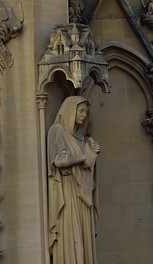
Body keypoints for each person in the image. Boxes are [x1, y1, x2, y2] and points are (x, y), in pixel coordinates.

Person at [47, 96, 99, 264]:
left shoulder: (79, 138)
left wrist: (92, 154)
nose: (84, 115)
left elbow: (85, 166)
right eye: (81, 111)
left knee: (83, 240)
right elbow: (59, 160)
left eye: (86, 112)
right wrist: (85, 155)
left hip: (81, 193)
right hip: (67, 191)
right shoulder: (57, 130)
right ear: (70, 109)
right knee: (72, 237)